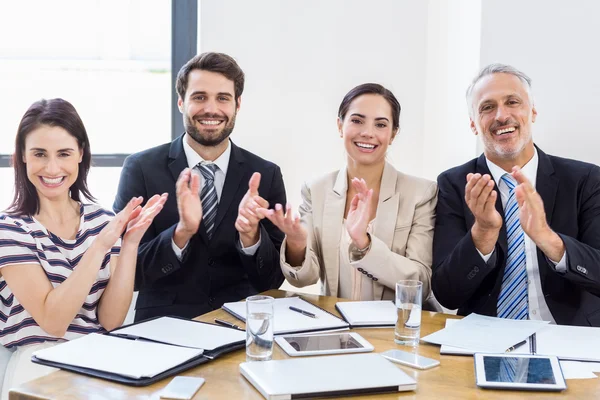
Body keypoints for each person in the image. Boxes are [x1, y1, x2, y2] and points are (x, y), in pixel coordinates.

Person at [0, 98, 166, 398]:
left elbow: (111, 320)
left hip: (98, 360)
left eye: (64, 153)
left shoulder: (103, 220)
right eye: (39, 154)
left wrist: (128, 244)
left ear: (80, 155)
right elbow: (53, 321)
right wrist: (101, 245)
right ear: (23, 157)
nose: (52, 168)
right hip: (38, 365)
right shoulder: (10, 229)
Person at [113, 52, 286, 321]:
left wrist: (251, 236)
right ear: (181, 102)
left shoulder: (265, 174)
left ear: (237, 104)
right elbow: (127, 273)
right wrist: (181, 233)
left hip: (240, 327)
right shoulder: (141, 168)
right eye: (199, 97)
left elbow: (273, 280)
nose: (211, 109)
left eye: (223, 98)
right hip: (163, 328)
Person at [432, 64, 600, 326]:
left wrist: (548, 238)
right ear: (473, 124)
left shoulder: (586, 179)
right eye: (487, 107)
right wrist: (484, 232)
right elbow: (447, 295)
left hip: (569, 332)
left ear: (532, 111)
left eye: (512, 102)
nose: (501, 115)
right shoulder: (454, 184)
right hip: (486, 333)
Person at [260, 83, 438, 304]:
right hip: (336, 327)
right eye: (357, 120)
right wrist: (297, 244)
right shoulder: (316, 190)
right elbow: (304, 279)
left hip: (395, 329)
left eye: (381, 124)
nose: (368, 133)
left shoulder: (420, 193)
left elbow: (421, 281)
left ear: (393, 134)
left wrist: (364, 244)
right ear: (340, 126)